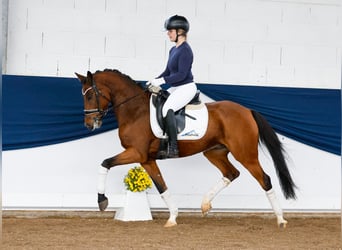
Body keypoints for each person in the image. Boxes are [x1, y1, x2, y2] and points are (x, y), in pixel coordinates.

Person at [148, 15, 197, 158]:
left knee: (168, 108)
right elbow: (168, 71)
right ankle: (163, 139)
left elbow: (181, 75)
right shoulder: (173, 50)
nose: (168, 34)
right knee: (158, 102)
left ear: (180, 32)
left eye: (170, 31)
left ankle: (173, 146)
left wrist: (162, 80)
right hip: (176, 87)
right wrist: (155, 80)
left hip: (186, 87)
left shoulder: (186, 51)